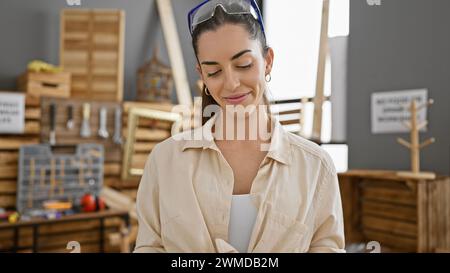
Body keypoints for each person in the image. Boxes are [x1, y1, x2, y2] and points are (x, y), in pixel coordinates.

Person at [134, 0, 345, 253]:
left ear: (267, 61)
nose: (231, 83)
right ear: (201, 75)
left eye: (243, 65)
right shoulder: (164, 162)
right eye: (214, 72)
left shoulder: (315, 167)